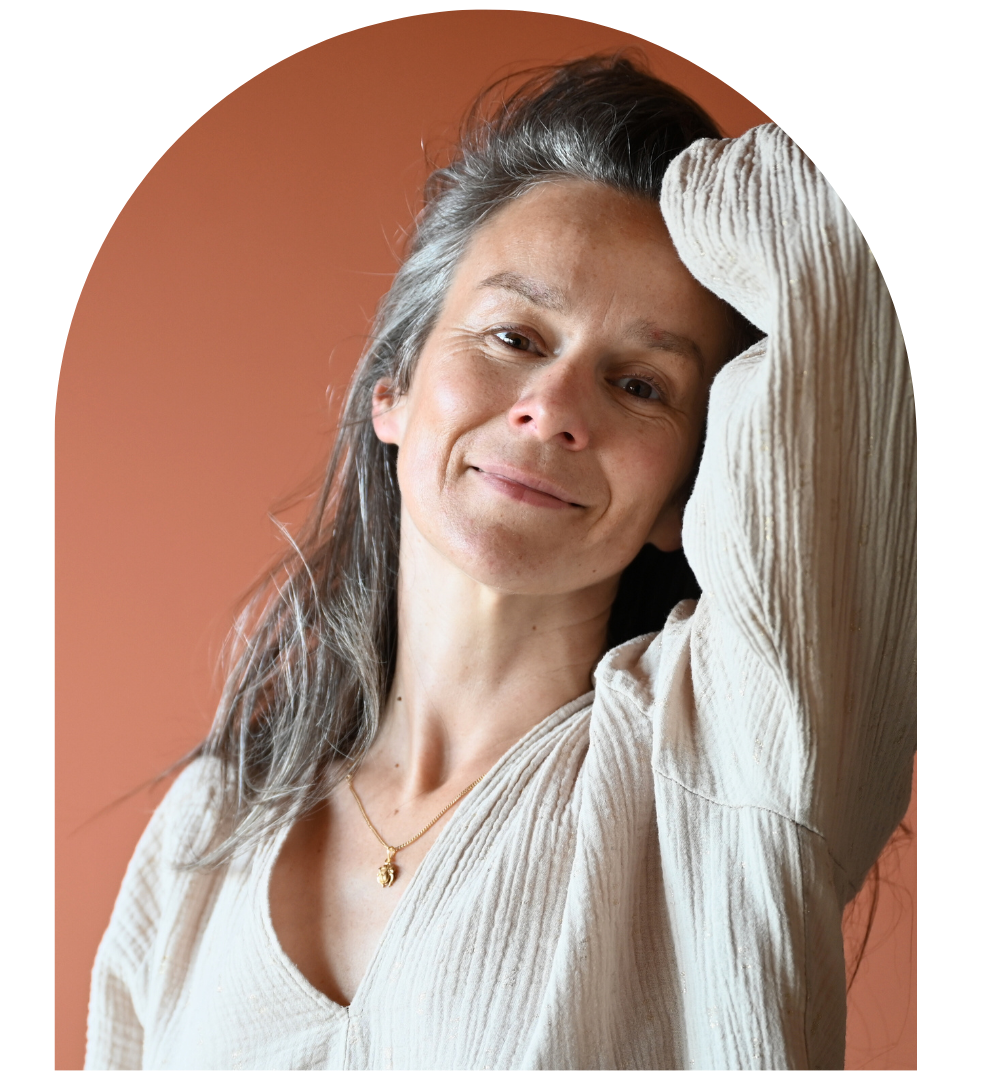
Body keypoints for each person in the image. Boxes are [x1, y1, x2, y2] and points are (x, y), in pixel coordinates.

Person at [84, 56, 916, 1070]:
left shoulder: (733, 754)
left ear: (681, 499)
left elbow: (839, 258)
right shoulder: (209, 825)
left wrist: (691, 186)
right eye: (515, 336)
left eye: (641, 385)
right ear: (392, 389)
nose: (554, 409)